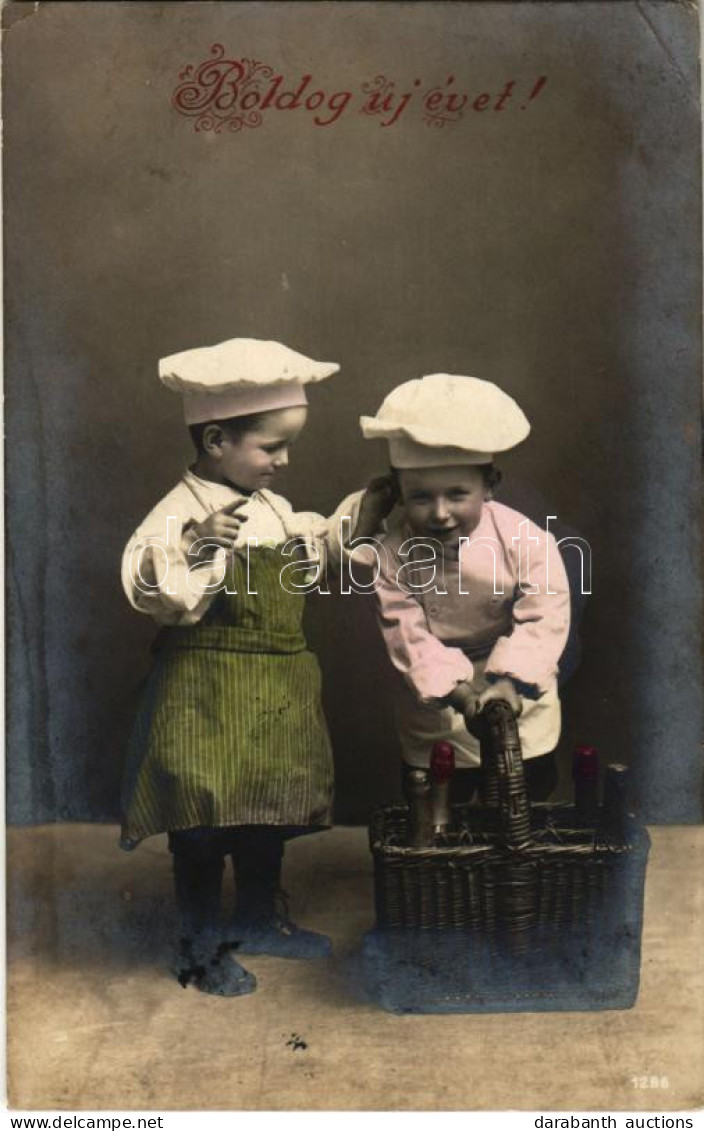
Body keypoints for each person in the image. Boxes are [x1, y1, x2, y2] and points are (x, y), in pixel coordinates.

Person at [120, 337, 381, 997]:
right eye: (271, 447)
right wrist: (196, 548)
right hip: (205, 692)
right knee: (205, 820)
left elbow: (310, 556)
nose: (284, 460)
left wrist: (359, 517)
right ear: (214, 439)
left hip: (273, 689)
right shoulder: (177, 513)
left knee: (265, 809)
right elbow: (157, 591)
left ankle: (259, 918)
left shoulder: (272, 507)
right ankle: (200, 947)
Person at [356, 372, 572, 803]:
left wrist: (509, 685)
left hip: (515, 689)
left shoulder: (525, 538)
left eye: (457, 494)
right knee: (440, 803)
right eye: (421, 497)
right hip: (437, 696)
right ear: (398, 491)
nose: (440, 513)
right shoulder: (391, 553)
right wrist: (459, 695)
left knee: (521, 794)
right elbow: (408, 634)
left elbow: (544, 613)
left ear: (489, 484)